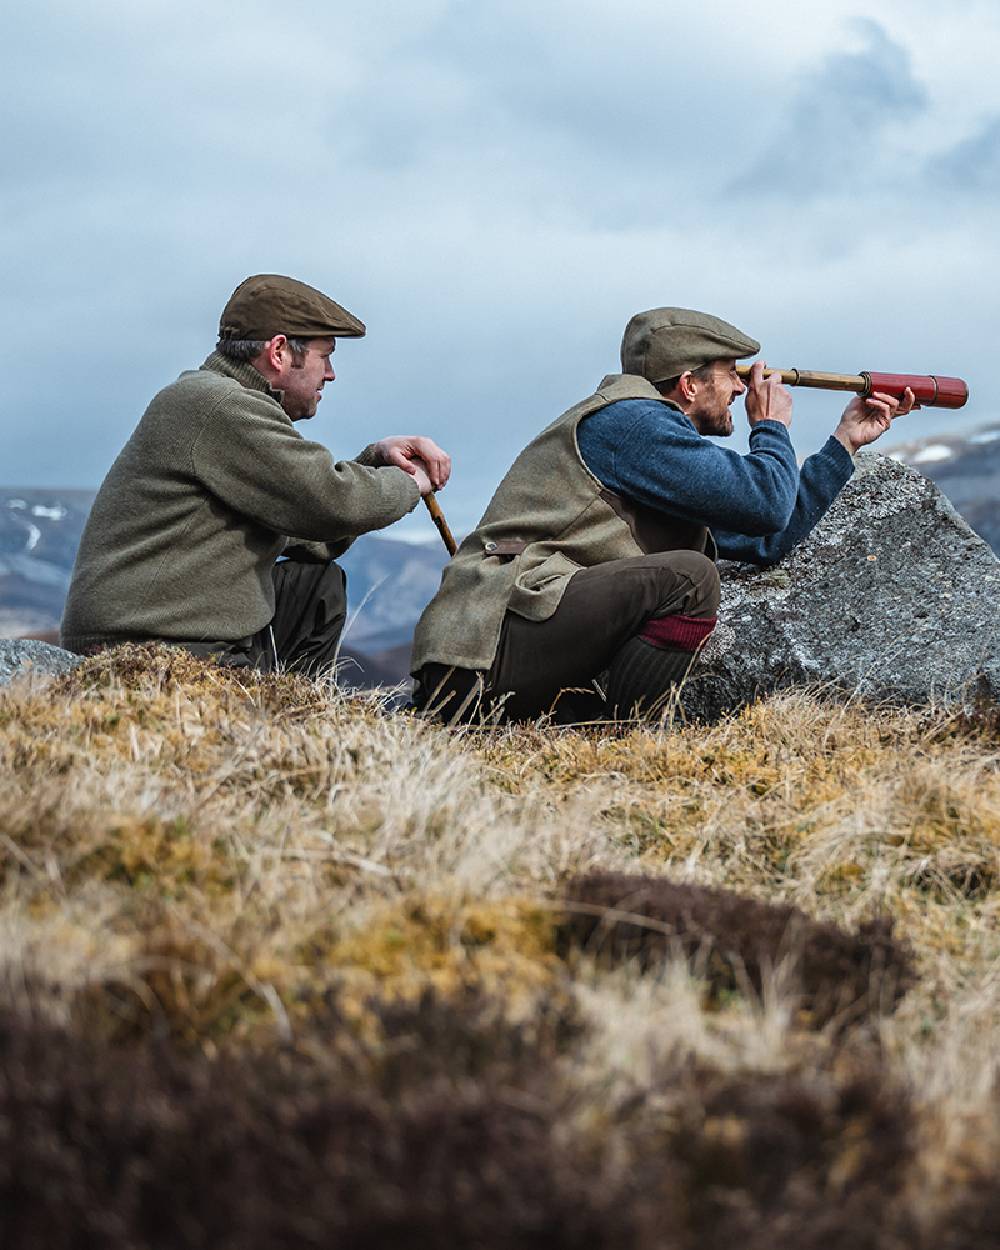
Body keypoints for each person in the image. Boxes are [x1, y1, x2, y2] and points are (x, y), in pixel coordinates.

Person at [411, 305, 913, 721]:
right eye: (731, 375)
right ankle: (629, 734)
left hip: (502, 645)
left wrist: (844, 442)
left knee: (690, 568)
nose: (742, 389)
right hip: (481, 651)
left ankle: (597, 723)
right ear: (690, 385)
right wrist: (771, 427)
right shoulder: (633, 423)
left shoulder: (653, 443)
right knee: (690, 578)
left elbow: (765, 535)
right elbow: (764, 502)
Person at [61, 274, 450, 674]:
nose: (330, 374)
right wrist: (408, 483)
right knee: (315, 584)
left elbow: (310, 529)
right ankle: (279, 722)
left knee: (315, 585)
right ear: (279, 351)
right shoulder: (218, 404)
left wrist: (376, 462)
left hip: (176, 634)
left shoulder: (218, 403)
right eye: (325, 356)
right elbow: (333, 502)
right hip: (146, 645)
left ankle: (291, 713)